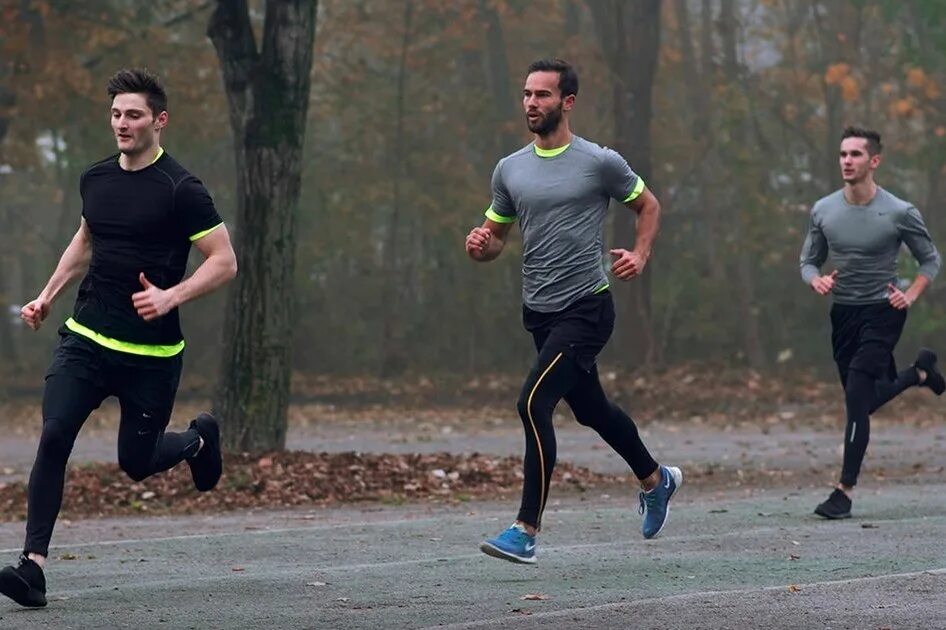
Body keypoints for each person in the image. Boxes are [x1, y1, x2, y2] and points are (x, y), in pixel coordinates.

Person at [0, 68, 238, 607]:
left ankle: (198, 439)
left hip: (150, 356)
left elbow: (225, 262)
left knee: (137, 461)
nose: (122, 124)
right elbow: (86, 241)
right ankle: (31, 568)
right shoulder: (96, 179)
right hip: (85, 338)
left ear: (160, 120)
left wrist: (170, 297)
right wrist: (46, 296)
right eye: (115, 114)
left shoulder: (183, 190)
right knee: (54, 435)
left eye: (133, 115)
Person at [465, 58, 682, 565]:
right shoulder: (510, 169)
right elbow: (495, 236)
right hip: (538, 311)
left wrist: (641, 254)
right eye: (526, 94)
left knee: (532, 404)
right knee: (591, 411)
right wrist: (480, 246)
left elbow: (647, 205)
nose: (530, 103)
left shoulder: (599, 162)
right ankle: (657, 479)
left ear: (567, 102)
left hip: (587, 307)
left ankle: (525, 530)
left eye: (541, 95)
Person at [800, 126, 943, 520]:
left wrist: (910, 294)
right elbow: (807, 261)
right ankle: (918, 374)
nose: (847, 160)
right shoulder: (824, 210)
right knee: (862, 398)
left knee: (858, 395)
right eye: (843, 154)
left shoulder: (899, 212)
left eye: (855, 155)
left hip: (884, 311)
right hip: (844, 313)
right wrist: (817, 279)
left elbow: (931, 259)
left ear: (873, 161)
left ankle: (843, 491)